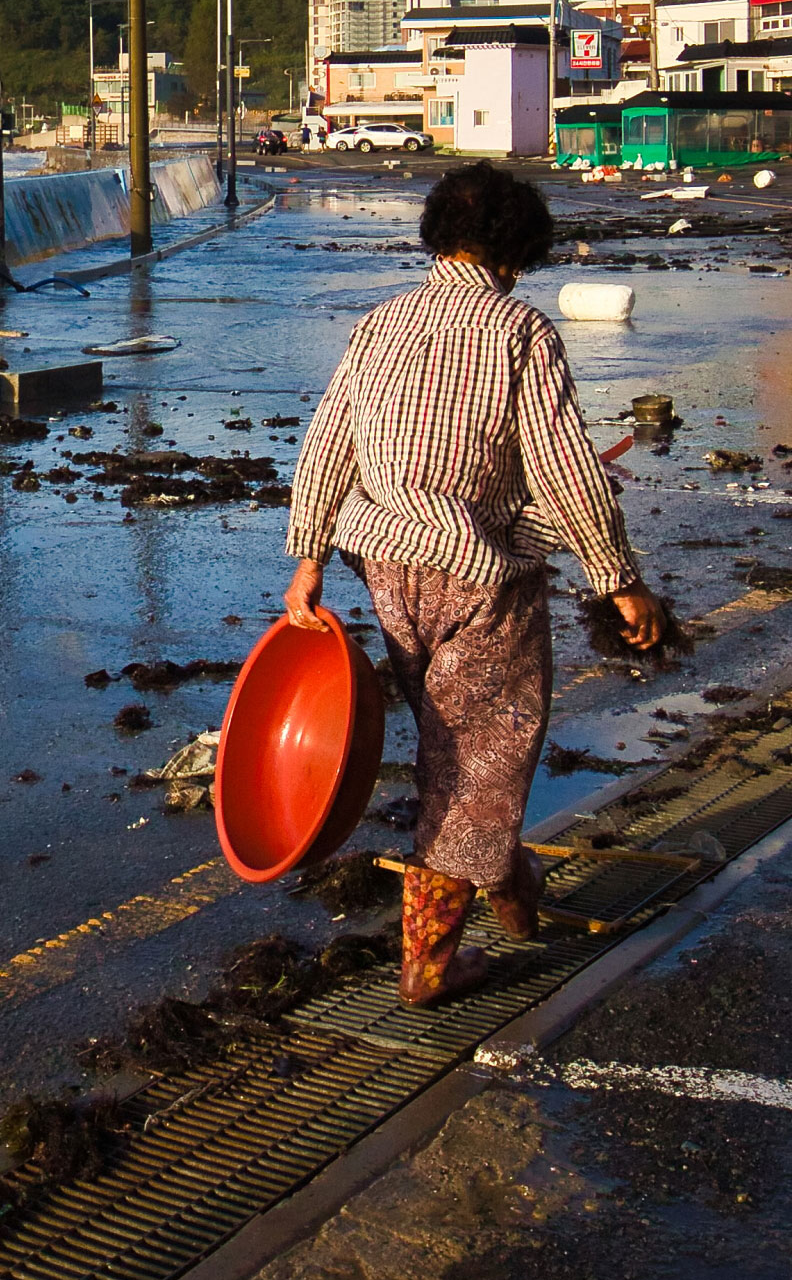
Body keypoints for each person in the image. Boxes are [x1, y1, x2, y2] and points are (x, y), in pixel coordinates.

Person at [279, 161, 664, 1004]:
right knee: (483, 752)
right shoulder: (519, 330)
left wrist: (307, 557)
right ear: (518, 248)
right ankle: (430, 961)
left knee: (454, 737)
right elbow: (565, 465)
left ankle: (511, 881)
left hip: (383, 564)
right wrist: (618, 577)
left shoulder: (380, 322)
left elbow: (327, 443)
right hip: (475, 571)